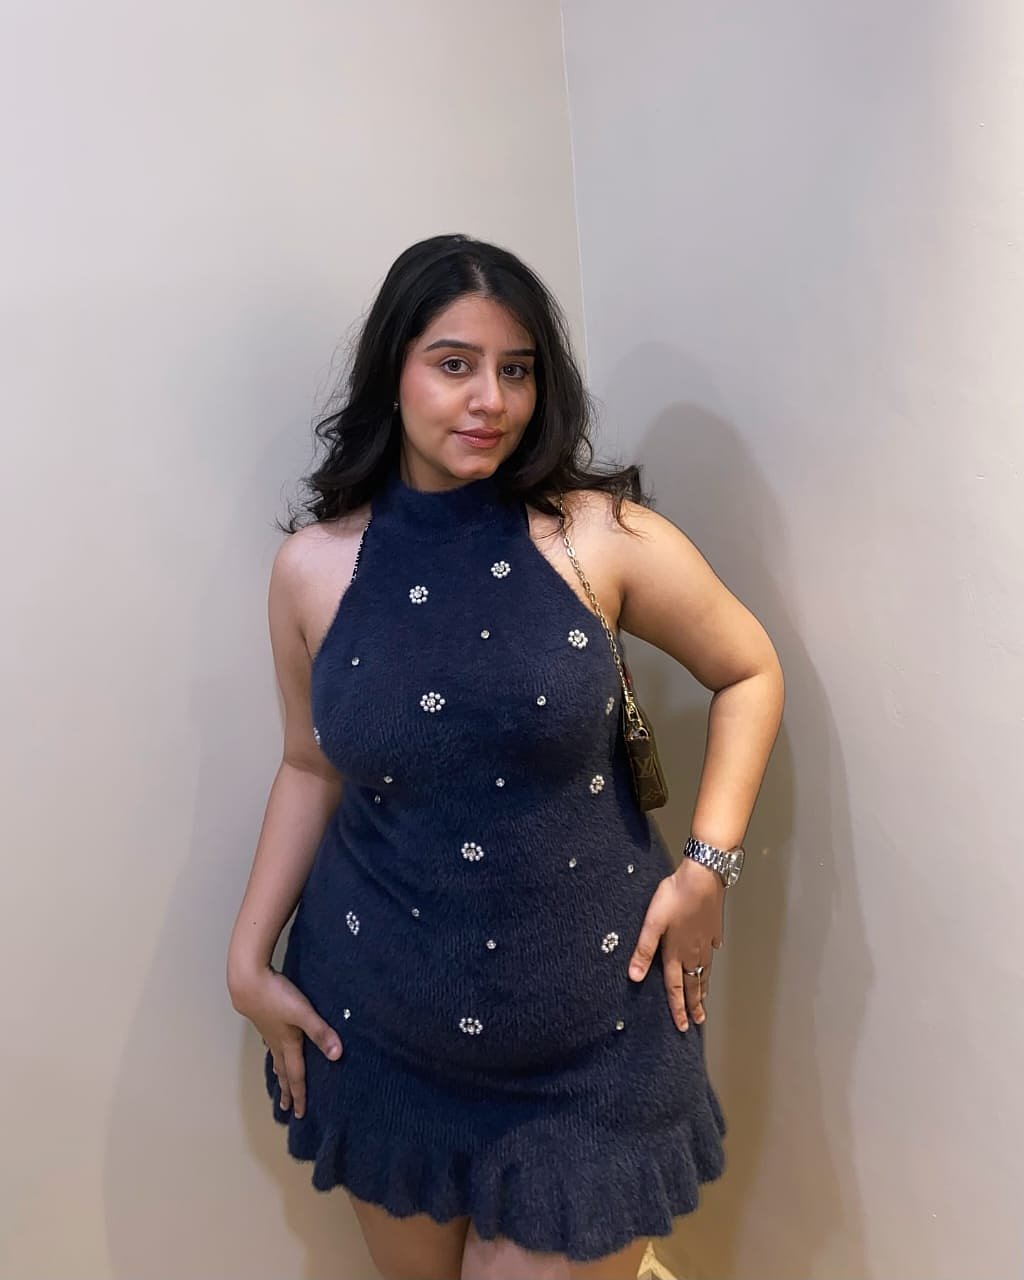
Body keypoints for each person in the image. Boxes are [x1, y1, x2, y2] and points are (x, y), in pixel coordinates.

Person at [226, 233, 785, 1280]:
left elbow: (748, 670)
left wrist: (708, 865)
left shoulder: (600, 537)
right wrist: (246, 958)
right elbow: (310, 764)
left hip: (591, 1036)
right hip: (379, 1023)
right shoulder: (311, 569)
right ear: (392, 374)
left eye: (516, 369)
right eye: (455, 364)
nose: (491, 399)